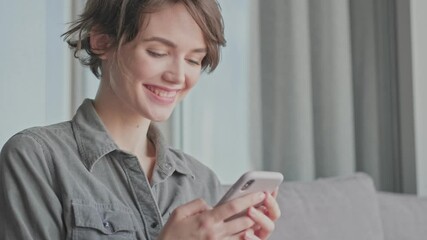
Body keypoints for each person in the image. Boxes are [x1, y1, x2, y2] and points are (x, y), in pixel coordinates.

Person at [0, 0, 281, 239]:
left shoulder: (201, 181)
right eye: (158, 52)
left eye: (194, 60)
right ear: (102, 41)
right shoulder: (36, 158)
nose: (178, 76)